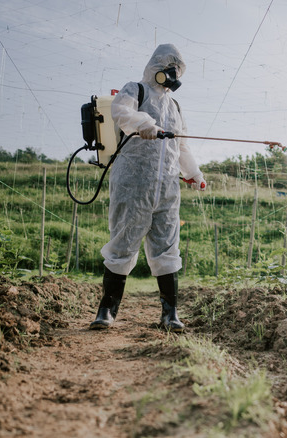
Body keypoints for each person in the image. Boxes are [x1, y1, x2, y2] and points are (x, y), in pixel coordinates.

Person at [89, 44, 206, 332]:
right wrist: (145, 123)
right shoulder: (136, 90)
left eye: (177, 72)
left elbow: (182, 145)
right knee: (122, 243)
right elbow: (120, 111)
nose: (172, 75)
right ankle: (107, 310)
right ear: (157, 67)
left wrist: (194, 173)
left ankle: (170, 313)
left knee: (167, 246)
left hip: (166, 187)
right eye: (169, 69)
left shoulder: (175, 107)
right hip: (133, 183)